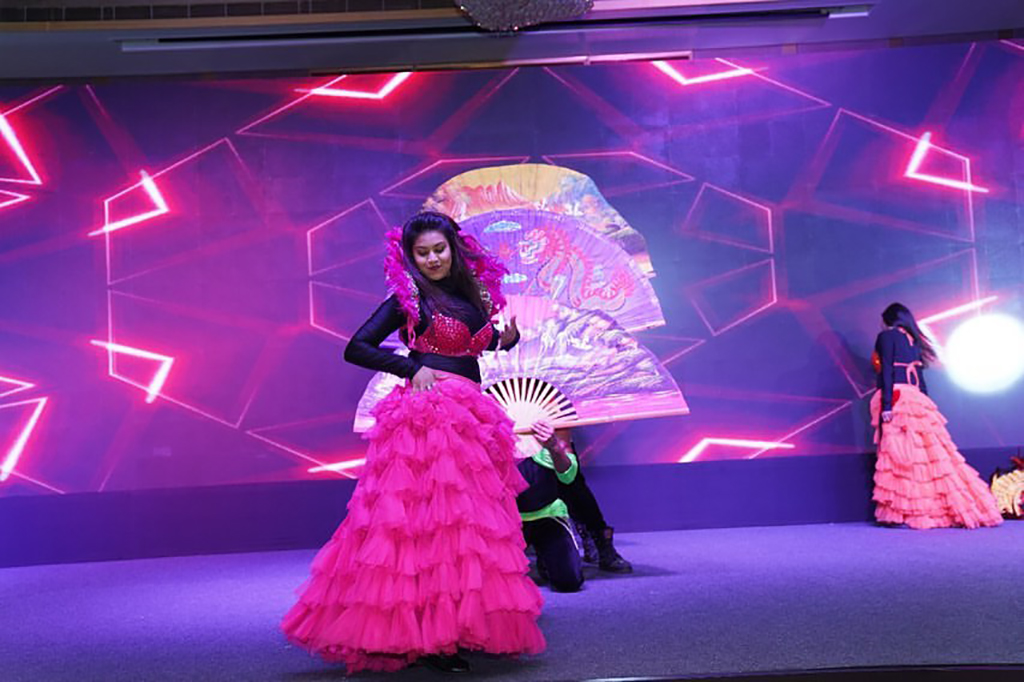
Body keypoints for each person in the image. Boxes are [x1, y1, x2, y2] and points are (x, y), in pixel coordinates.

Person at [281, 211, 545, 674]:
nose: (432, 259)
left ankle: (452, 626)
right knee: (426, 526)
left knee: (464, 525)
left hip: (470, 415)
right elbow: (356, 346)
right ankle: (430, 637)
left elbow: (471, 347)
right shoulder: (408, 298)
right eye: (422, 253)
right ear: (411, 256)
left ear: (453, 248)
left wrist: (506, 341)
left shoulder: (473, 293)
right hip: (430, 417)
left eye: (439, 249)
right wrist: (411, 367)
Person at [870, 302, 1002, 530]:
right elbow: (920, 379)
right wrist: (926, 405)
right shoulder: (913, 340)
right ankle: (938, 507)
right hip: (916, 400)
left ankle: (902, 511)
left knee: (901, 456)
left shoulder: (887, 336)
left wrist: (887, 405)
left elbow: (888, 371)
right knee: (929, 458)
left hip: (899, 398)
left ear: (888, 320)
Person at [517, 421, 585, 593]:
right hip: (507, 520)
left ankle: (547, 558)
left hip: (548, 514)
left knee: (569, 582)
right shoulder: (488, 419)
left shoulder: (551, 419)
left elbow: (568, 477)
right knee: (497, 587)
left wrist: (554, 447)